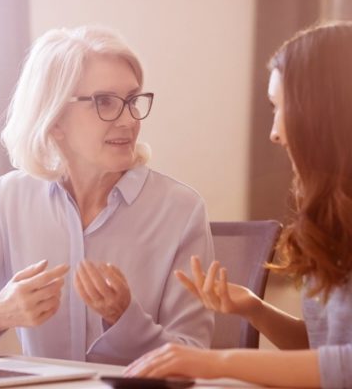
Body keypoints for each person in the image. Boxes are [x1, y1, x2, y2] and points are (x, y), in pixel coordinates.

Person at [0, 25, 214, 365]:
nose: (128, 121)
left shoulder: (181, 210)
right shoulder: (11, 198)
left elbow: (194, 355)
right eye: (105, 102)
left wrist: (125, 320)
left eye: (132, 100)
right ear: (54, 118)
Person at [124, 21, 352, 388]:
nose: (275, 132)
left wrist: (215, 362)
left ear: (324, 112)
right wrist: (254, 309)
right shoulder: (333, 217)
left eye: (281, 107)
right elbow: (325, 349)